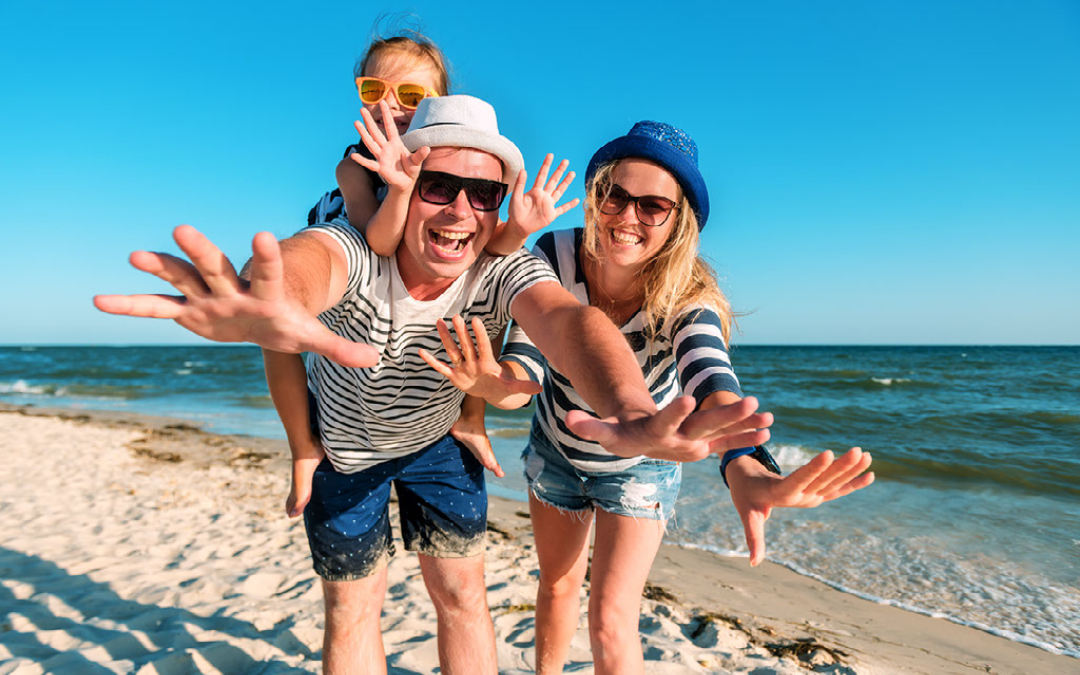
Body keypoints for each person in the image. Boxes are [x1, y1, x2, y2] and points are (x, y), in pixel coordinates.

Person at [93, 96, 776, 675]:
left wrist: (632, 411)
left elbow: (571, 326)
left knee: (463, 593)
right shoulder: (359, 246)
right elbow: (309, 263)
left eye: (483, 194)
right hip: (348, 453)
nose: (460, 211)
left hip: (439, 447)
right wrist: (270, 298)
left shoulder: (504, 268)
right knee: (353, 607)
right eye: (438, 185)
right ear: (402, 181)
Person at [426, 121, 876, 675]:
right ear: (596, 198)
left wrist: (744, 464)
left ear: (677, 220)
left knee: (612, 619)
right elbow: (525, 368)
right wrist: (493, 384)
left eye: (653, 205)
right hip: (558, 453)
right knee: (558, 586)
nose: (628, 217)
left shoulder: (687, 296)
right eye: (616, 195)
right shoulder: (553, 254)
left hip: (642, 466)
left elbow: (711, 380)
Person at [270, 30, 579, 520]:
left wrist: (517, 228)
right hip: (362, 252)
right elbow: (378, 241)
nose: (390, 105)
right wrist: (398, 188)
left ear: (440, 107)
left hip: (430, 410)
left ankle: (471, 418)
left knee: (483, 295)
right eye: (374, 90)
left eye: (411, 96)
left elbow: (488, 252)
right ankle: (302, 446)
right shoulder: (353, 171)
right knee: (279, 334)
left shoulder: (456, 177)